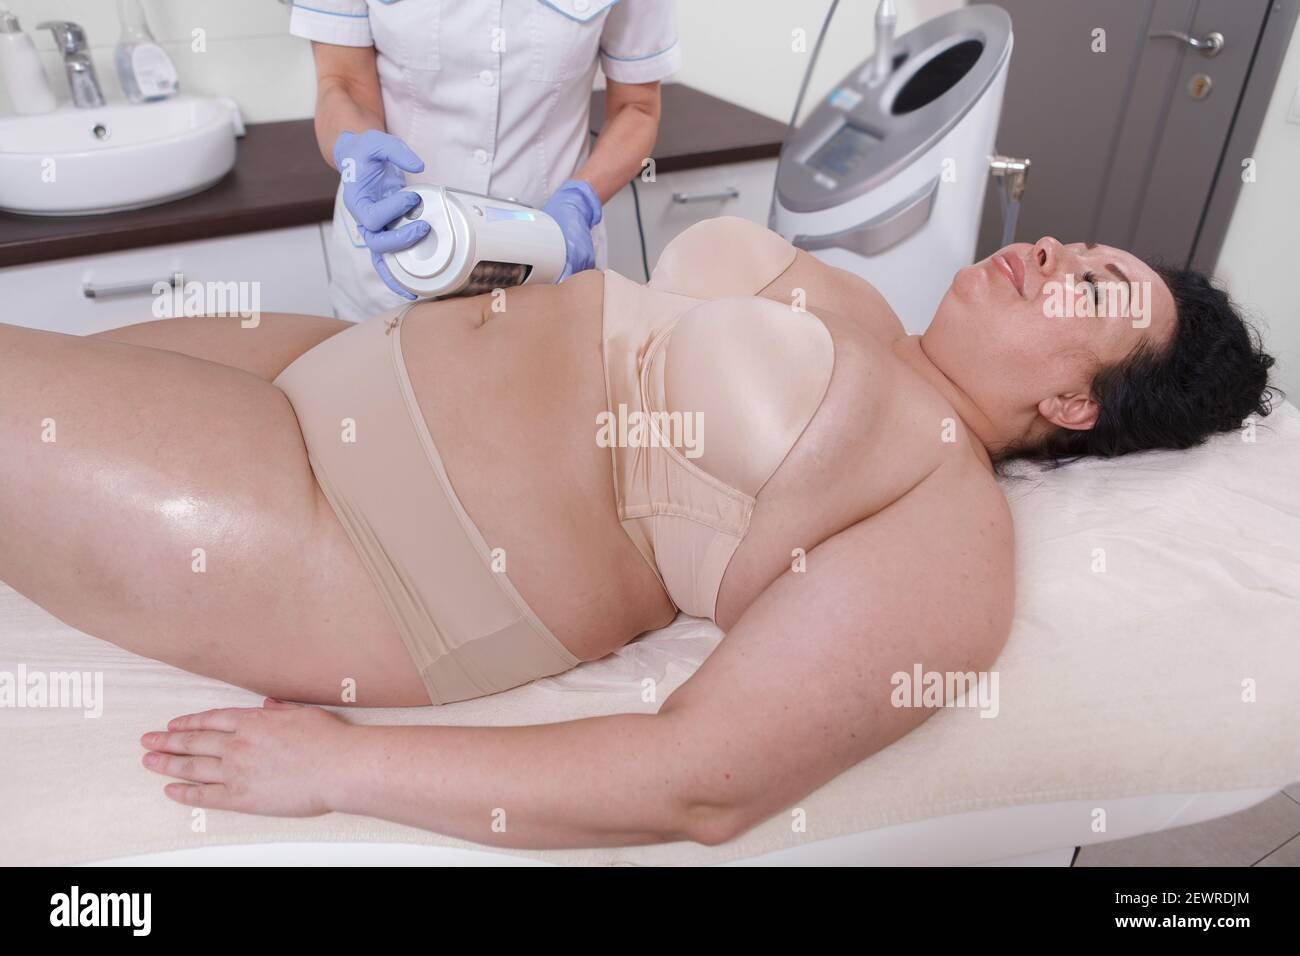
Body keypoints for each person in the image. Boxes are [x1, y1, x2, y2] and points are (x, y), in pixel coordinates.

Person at [0, 219, 1276, 847]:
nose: (1050, 250)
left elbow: (704, 778)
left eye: (1092, 288)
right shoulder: (856, 304)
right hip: (320, 361)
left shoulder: (942, 527)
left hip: (349, 530)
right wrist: (493, 245)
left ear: (1075, 405)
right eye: (1076, 244)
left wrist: (340, 766)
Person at [291, 0, 679, 322]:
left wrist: (582, 198)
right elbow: (342, 82)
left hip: (545, 259)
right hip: (395, 256)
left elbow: (637, 107)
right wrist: (358, 152)